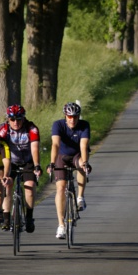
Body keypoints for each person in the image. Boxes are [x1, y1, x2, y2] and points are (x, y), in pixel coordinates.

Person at [47, 102, 91, 239]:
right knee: (60, 188)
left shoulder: (84, 125)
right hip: (62, 156)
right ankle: (61, 225)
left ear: (78, 117)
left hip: (77, 155)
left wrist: (85, 163)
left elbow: (84, 145)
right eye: (69, 116)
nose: (72, 120)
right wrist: (52, 163)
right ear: (65, 116)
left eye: (75, 117)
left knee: (82, 166)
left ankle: (80, 197)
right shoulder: (58, 125)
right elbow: (55, 144)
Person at [0, 105, 42, 233]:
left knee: (30, 186)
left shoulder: (31, 128)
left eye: (19, 119)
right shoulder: (4, 129)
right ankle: (6, 218)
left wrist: (37, 165)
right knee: (7, 184)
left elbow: (34, 148)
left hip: (28, 161)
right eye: (12, 119)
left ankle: (29, 217)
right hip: (10, 162)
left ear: (24, 118)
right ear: (8, 119)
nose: (16, 122)